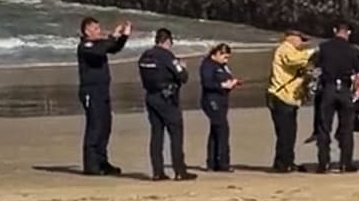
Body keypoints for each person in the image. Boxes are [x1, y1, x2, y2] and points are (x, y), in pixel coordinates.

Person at [138, 28, 197, 181]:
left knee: (156, 135)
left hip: (151, 97)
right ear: (167, 41)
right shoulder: (167, 56)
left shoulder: (145, 56)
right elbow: (183, 76)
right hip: (167, 98)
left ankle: (157, 171)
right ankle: (180, 170)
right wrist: (182, 67)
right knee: (176, 133)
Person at [310, 21, 359, 173]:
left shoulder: (324, 47)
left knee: (324, 127)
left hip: (328, 88)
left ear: (335, 30)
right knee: (346, 128)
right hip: (344, 90)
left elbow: (315, 69)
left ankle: (324, 163)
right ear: (348, 33)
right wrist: (355, 89)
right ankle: (345, 163)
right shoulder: (353, 50)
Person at [77, 16, 130, 176]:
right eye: (95, 29)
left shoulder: (99, 44)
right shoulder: (85, 46)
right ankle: (91, 165)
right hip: (91, 92)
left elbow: (113, 48)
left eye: (99, 28)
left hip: (103, 91)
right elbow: (100, 50)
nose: (99, 32)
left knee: (105, 126)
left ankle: (102, 161)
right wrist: (112, 36)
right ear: (87, 31)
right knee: (95, 126)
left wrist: (124, 36)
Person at [267, 30, 314, 173]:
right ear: (292, 38)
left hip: (290, 99)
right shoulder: (284, 49)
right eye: (301, 39)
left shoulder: (292, 51)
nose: (302, 43)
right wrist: (312, 53)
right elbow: (293, 60)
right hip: (280, 96)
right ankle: (282, 164)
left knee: (290, 133)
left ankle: (287, 161)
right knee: (285, 133)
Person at [199, 43, 241, 172]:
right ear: (216, 54)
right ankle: (223, 163)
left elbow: (225, 77)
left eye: (228, 58)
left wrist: (233, 83)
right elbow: (207, 83)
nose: (226, 60)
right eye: (224, 57)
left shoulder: (222, 66)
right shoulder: (207, 65)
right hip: (211, 100)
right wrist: (223, 85)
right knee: (222, 129)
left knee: (216, 130)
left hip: (222, 100)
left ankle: (212, 163)